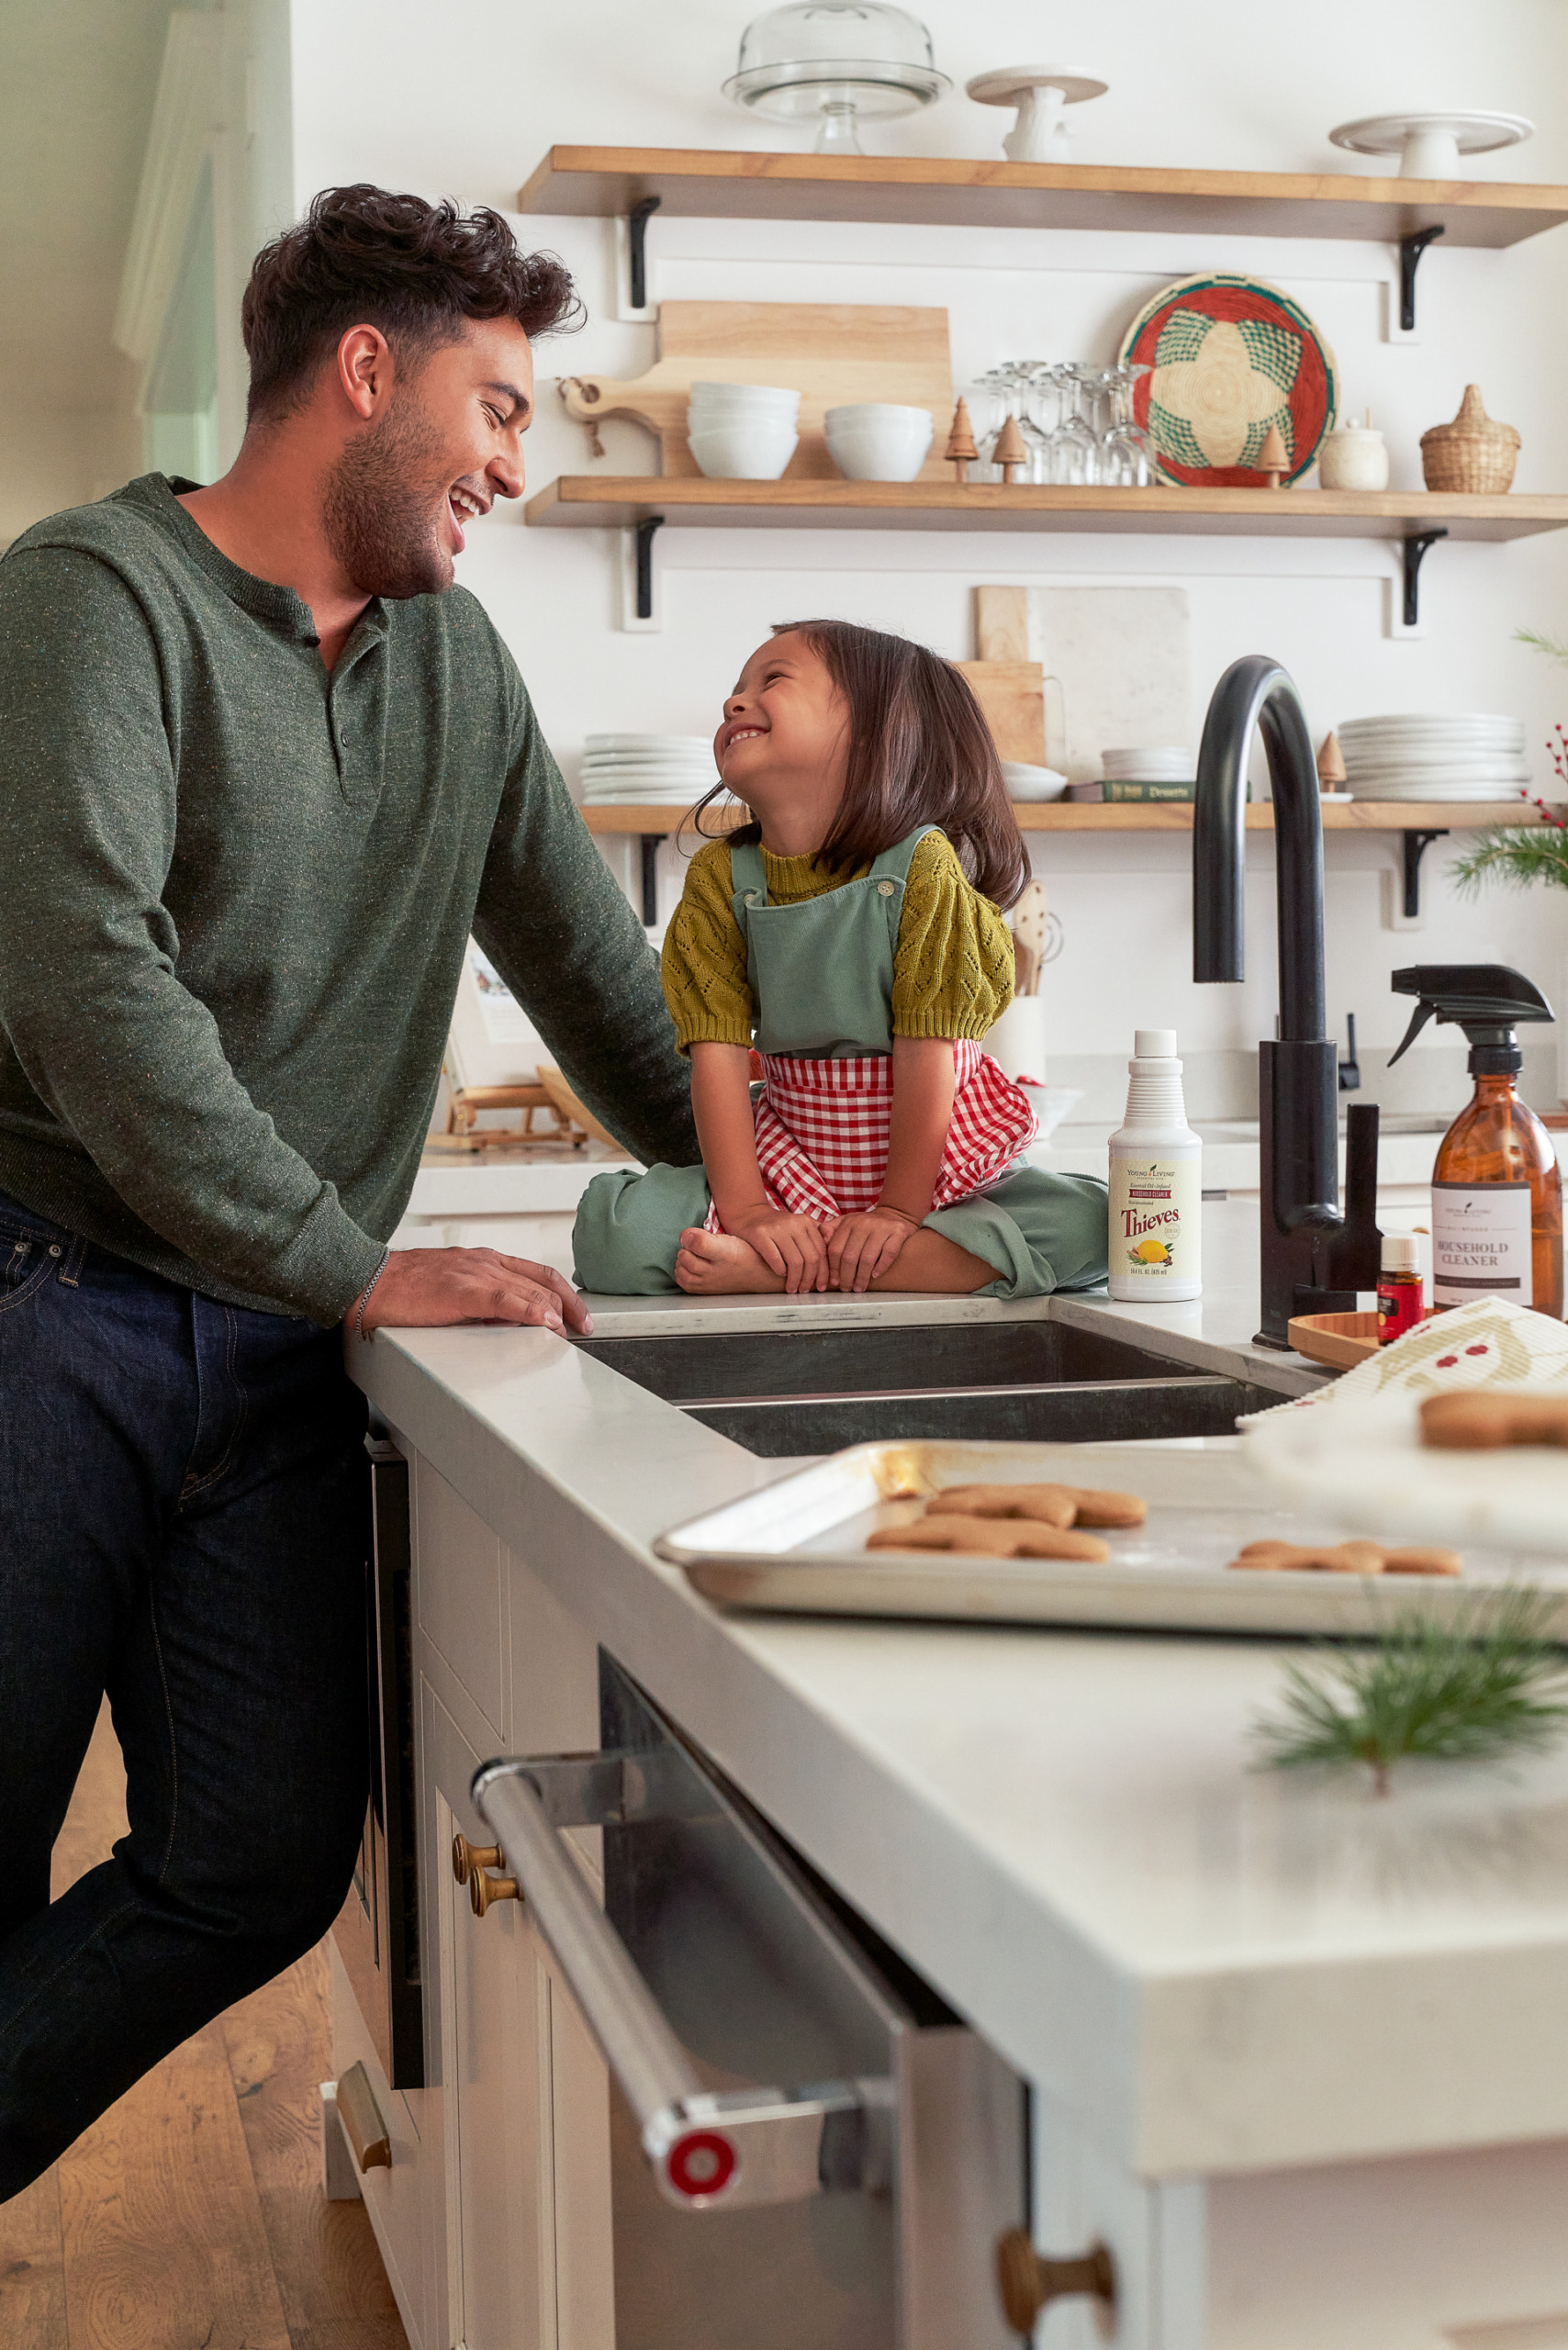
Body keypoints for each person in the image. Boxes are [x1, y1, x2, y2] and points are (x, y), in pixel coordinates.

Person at [0, 185, 699, 2199]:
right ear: (366, 373)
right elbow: (83, 977)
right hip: (51, 1305)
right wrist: (350, 1257)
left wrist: (801, 1190)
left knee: (257, 1852)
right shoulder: (89, 595)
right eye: (497, 406)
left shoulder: (453, 669)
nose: (516, 463)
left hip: (279, 1351)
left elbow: (592, 974)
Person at [574, 620, 1108, 1299]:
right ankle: (881, 1267)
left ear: (877, 733)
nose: (733, 703)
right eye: (737, 688)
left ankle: (782, 1274)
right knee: (609, 1231)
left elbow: (927, 1056)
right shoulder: (719, 879)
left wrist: (896, 1213)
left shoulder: (925, 870)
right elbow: (717, 1059)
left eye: (772, 680)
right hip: (787, 1155)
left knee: (1100, 1225)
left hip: (929, 1169)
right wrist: (751, 1213)